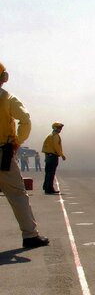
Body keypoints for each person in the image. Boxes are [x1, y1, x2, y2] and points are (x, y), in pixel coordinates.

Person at [0, 61, 50, 248]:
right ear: (4, 78)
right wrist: (17, 142)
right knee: (17, 195)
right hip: (2, 153)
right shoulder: (7, 98)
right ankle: (30, 235)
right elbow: (25, 120)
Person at [42, 122, 66, 194]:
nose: (60, 129)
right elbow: (56, 147)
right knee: (51, 173)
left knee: (48, 173)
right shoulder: (55, 136)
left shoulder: (50, 135)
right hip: (52, 156)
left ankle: (47, 187)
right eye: (59, 128)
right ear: (55, 128)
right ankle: (49, 189)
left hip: (49, 156)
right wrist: (62, 155)